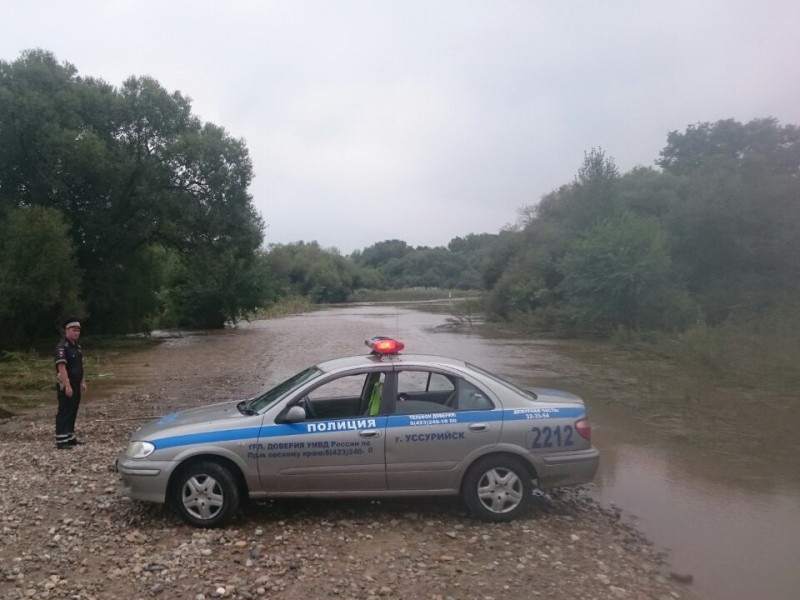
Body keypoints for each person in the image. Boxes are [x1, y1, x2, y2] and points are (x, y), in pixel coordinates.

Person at [54, 317, 87, 449]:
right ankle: (61, 440)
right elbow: (61, 367)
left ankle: (70, 436)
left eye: (78, 331)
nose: (76, 333)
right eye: (74, 330)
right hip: (66, 383)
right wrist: (67, 385)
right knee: (65, 410)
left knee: (73, 409)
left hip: (76, 383)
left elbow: (80, 366)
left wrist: (82, 382)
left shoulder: (77, 348)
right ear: (67, 330)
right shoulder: (62, 347)